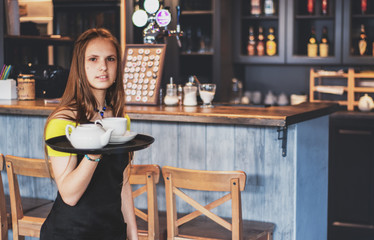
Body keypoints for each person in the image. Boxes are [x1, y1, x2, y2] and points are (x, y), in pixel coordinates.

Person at [41, 28, 138, 240]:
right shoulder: (63, 122)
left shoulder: (120, 119)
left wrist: (132, 233)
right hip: (71, 232)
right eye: (93, 59)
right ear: (80, 66)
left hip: (112, 231)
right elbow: (69, 195)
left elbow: (122, 181)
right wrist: (95, 151)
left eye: (110, 59)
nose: (103, 67)